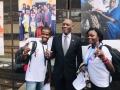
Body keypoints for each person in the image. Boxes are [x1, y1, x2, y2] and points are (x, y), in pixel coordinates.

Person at [46, 19, 83, 90]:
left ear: (72, 27)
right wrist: (49, 55)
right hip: (58, 73)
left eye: (67, 25)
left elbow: (79, 58)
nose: (64, 26)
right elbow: (53, 54)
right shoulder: (56, 39)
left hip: (71, 74)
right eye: (63, 24)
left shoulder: (77, 40)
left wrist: (79, 73)